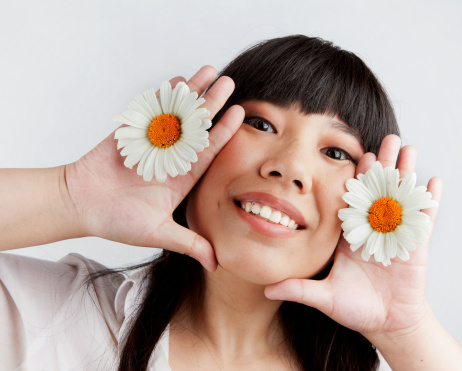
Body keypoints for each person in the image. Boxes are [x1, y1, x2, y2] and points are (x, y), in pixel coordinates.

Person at [0, 35, 461, 371]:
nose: (290, 168)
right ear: (198, 142)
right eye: (261, 125)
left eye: (335, 153)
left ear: (364, 205)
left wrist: (405, 330)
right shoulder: (50, 317)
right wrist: (69, 197)